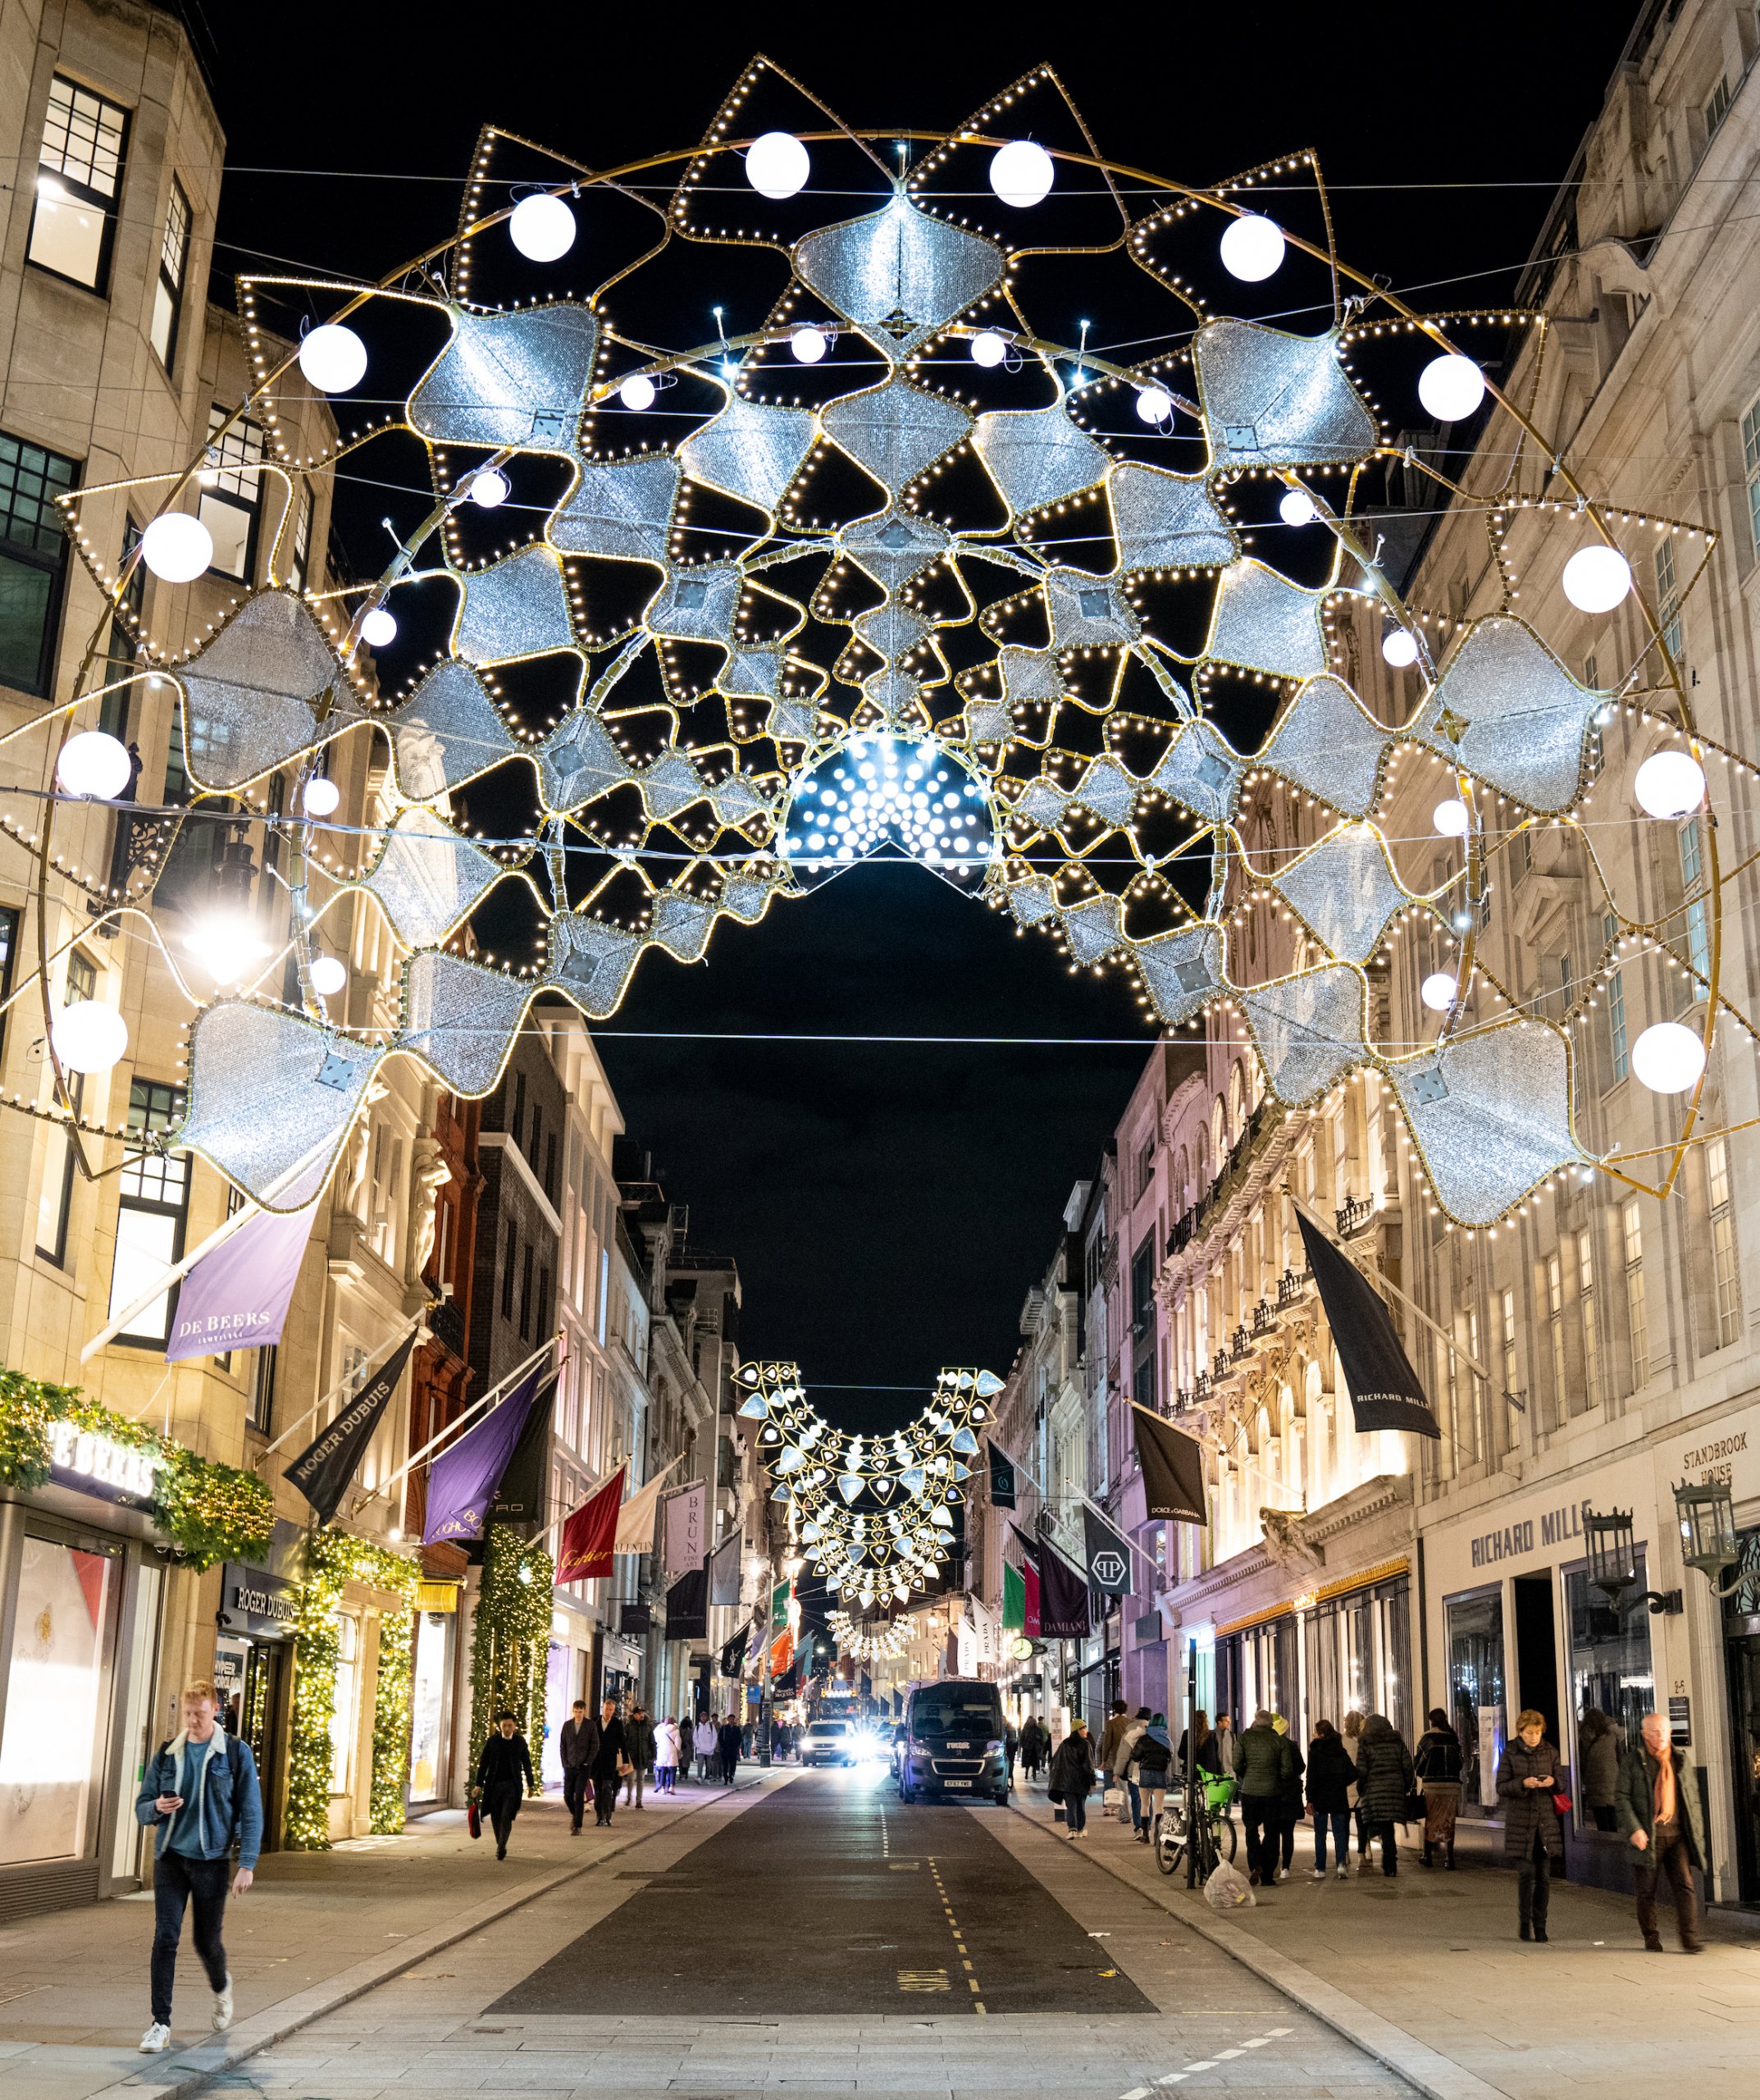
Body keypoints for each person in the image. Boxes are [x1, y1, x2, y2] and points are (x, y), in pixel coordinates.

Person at [135, 1677, 263, 2055]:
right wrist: (156, 1807)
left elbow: (251, 1810)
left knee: (205, 1941)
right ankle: (160, 2023)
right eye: (189, 1714)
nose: (193, 1721)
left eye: (201, 1714)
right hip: (171, 1858)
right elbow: (143, 1805)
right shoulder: (167, 1753)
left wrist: (248, 1863)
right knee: (166, 1937)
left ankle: (221, 1987)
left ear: (215, 1710)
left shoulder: (235, 1753)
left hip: (211, 1861)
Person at [1616, 1709, 1707, 1955]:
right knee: (1646, 1891)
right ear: (1645, 1735)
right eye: (1655, 1732)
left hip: (1677, 1836)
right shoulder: (1633, 1761)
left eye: (1664, 1730)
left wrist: (1696, 1835)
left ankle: (1689, 1939)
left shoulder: (1680, 1760)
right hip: (1649, 1837)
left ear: (1671, 1732)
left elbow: (1692, 1799)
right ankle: (1651, 1937)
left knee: (1686, 1886)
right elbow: (1622, 1798)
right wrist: (1634, 1829)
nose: (1661, 1735)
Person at [1495, 1707, 1564, 1941]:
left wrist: (1553, 1781)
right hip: (1521, 1824)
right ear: (1520, 1731)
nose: (1534, 1737)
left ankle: (1541, 1925)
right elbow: (1502, 1787)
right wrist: (1523, 1783)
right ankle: (1525, 1922)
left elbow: (1562, 1784)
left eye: (1537, 1732)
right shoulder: (1510, 1753)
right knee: (1526, 1875)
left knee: (1544, 1878)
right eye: (1529, 1733)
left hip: (1545, 1825)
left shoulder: (1550, 1752)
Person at [1233, 1707, 1294, 1885]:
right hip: (1272, 1793)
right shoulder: (1278, 1741)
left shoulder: (1244, 1738)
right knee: (1272, 1833)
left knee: (1251, 1831)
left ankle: (1255, 1864)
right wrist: (1275, 1778)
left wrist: (1249, 1774)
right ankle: (1268, 1874)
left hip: (1250, 1792)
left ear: (1256, 1720)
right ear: (1271, 1723)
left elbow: (1237, 1764)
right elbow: (1287, 1769)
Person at [1352, 1713, 1416, 1878]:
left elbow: (1362, 1770)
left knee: (1381, 1824)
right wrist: (1406, 1786)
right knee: (1388, 1827)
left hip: (1373, 1790)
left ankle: (1387, 1860)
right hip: (1394, 1789)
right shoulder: (1397, 1743)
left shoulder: (1365, 1744)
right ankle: (1390, 1862)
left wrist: (1361, 1789)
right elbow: (1408, 1766)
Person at [475, 1710, 534, 1860]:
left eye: (510, 1725)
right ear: (500, 1726)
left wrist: (531, 1784)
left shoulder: (520, 1742)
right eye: (504, 1725)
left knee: (506, 1816)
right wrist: (478, 1784)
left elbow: (527, 1763)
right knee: (496, 1817)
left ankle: (501, 1847)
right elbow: (484, 1764)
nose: (507, 1728)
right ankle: (500, 1844)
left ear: (514, 1726)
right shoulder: (493, 1741)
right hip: (494, 1786)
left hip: (512, 1786)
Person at [1306, 1718, 1356, 1879]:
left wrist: (1310, 1798)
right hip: (1338, 1796)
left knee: (1320, 1834)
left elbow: (1311, 1776)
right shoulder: (1340, 1751)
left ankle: (1320, 1868)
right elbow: (1353, 1773)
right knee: (1339, 1833)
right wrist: (1342, 1782)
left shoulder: (1315, 1751)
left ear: (1320, 1734)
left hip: (1320, 1796)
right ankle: (1341, 1865)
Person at [1415, 1707, 1464, 1869]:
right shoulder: (1453, 1739)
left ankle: (1427, 1856)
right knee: (1449, 1820)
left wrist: (1424, 1775)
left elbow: (1418, 1763)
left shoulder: (1427, 1739)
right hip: (1451, 1785)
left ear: (1431, 1721)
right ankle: (1450, 1859)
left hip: (1433, 1784)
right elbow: (1460, 1763)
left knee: (1432, 1819)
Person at [1049, 1714, 1097, 1839]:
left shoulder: (1065, 1744)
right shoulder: (1085, 1745)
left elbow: (1055, 1762)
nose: (1086, 1731)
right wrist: (1093, 1781)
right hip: (1081, 1782)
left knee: (1071, 1806)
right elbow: (1089, 1765)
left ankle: (1072, 1829)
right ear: (1078, 1730)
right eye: (1083, 1728)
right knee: (1081, 1806)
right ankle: (1080, 1829)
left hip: (1067, 1782)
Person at [1272, 1714, 1306, 1876]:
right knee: (1288, 1833)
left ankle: (1272, 1865)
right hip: (1290, 1794)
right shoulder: (1292, 1746)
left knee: (1272, 1832)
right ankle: (1285, 1867)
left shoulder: (1269, 1746)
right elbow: (1301, 1767)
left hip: (1272, 1793)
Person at [1578, 1708, 1621, 1833]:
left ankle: (1605, 1848)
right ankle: (1614, 1844)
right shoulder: (1612, 1737)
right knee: (1613, 1818)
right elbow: (1619, 1757)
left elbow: (1582, 1762)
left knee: (1601, 1820)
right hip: (1613, 1782)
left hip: (1594, 1784)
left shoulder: (1584, 1738)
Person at [1134, 1712, 1174, 1844]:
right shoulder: (1167, 1740)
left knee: (1145, 1804)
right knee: (1159, 1806)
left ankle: (1145, 1834)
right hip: (1160, 1774)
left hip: (1145, 1772)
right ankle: (1158, 1834)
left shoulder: (1143, 1739)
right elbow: (1170, 1757)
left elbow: (1135, 1756)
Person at [589, 1697, 628, 1828]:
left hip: (610, 1762)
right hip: (596, 1763)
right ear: (603, 1709)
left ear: (613, 1711)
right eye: (606, 1709)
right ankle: (599, 1816)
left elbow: (623, 1743)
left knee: (607, 1788)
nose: (608, 1712)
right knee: (598, 1791)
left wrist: (626, 1762)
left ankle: (607, 1816)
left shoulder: (617, 1724)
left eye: (611, 1710)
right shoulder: (595, 1721)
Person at [559, 1698, 595, 1834]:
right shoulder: (567, 1726)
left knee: (579, 1794)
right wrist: (565, 1763)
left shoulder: (590, 1726)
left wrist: (588, 1761)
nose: (578, 1714)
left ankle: (578, 1826)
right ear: (573, 1711)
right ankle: (576, 1814)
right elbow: (563, 1745)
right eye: (576, 1712)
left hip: (583, 1766)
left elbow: (594, 1745)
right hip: (569, 1765)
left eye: (580, 1712)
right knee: (567, 1795)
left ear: (584, 1711)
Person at [1114, 1707, 1151, 1832]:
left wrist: (1117, 1773)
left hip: (1134, 1772)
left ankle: (1140, 1827)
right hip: (1149, 1770)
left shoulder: (1130, 1731)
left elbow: (1123, 1755)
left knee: (1136, 1799)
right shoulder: (1153, 1731)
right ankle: (1148, 1825)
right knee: (1148, 1799)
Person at [1341, 1710, 1368, 1862]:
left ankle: (1345, 1854)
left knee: (1343, 1823)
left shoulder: (1341, 1740)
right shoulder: (1364, 1741)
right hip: (1361, 1786)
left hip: (1345, 1786)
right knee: (1362, 1823)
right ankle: (1362, 1854)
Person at [624, 1704, 655, 1810]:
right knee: (630, 1779)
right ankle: (629, 1797)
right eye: (638, 1713)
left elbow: (651, 1741)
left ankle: (639, 1801)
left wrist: (653, 1755)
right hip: (632, 1756)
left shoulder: (647, 1726)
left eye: (642, 1713)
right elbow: (625, 1741)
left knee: (641, 1779)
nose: (641, 1715)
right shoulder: (629, 1726)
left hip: (643, 1756)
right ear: (634, 1715)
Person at [1096, 1701, 1132, 1792]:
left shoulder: (1111, 1723)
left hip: (1114, 1762)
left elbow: (1107, 1744)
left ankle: (1110, 1806)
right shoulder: (1131, 1723)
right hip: (1129, 1761)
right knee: (1125, 1789)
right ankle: (1124, 1806)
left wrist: (1104, 1761)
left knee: (1109, 1787)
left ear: (1114, 1710)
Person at [1177, 1710, 1224, 1778]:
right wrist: (1220, 1773)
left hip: (1191, 1772)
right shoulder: (1211, 1735)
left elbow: (1181, 1754)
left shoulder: (1187, 1733)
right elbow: (1216, 1756)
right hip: (1208, 1774)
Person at [654, 1714, 681, 1794]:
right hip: (672, 1752)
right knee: (672, 1770)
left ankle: (662, 1788)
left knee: (663, 1770)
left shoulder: (660, 1730)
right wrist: (678, 1751)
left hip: (662, 1751)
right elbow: (678, 1743)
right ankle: (671, 1787)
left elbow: (657, 1740)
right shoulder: (676, 1731)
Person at [1019, 1714, 1047, 1781]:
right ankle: (1027, 1774)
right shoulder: (1026, 1729)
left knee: (1034, 1763)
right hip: (1028, 1748)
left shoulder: (1037, 1729)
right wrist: (1023, 1745)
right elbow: (1022, 1738)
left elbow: (1042, 1738)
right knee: (1028, 1763)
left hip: (1034, 1749)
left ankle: (1034, 1775)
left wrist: (1039, 1740)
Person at [718, 1711, 742, 1784]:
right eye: (730, 1719)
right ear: (728, 1720)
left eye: (732, 1719)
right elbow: (720, 1738)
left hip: (733, 1749)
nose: (731, 1720)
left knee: (732, 1764)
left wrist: (736, 1746)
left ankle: (731, 1775)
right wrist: (723, 1745)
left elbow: (739, 1738)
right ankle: (725, 1777)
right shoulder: (724, 1728)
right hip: (725, 1749)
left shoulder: (737, 1729)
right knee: (725, 1764)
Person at [694, 1711, 717, 1782]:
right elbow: (695, 1737)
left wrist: (712, 1747)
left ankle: (707, 1777)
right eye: (702, 1716)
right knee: (700, 1763)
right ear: (700, 1718)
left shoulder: (711, 1726)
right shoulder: (697, 1727)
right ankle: (699, 1777)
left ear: (707, 1717)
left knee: (708, 1764)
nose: (703, 1718)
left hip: (709, 1749)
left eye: (705, 1716)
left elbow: (715, 1737)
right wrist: (698, 1746)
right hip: (700, 1749)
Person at [1005, 1718, 1019, 1784]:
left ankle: (1008, 1774)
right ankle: (1010, 1774)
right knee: (1011, 1761)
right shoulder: (1013, 1728)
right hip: (1011, 1748)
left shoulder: (1005, 1729)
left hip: (1008, 1748)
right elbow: (1015, 1740)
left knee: (1008, 1762)